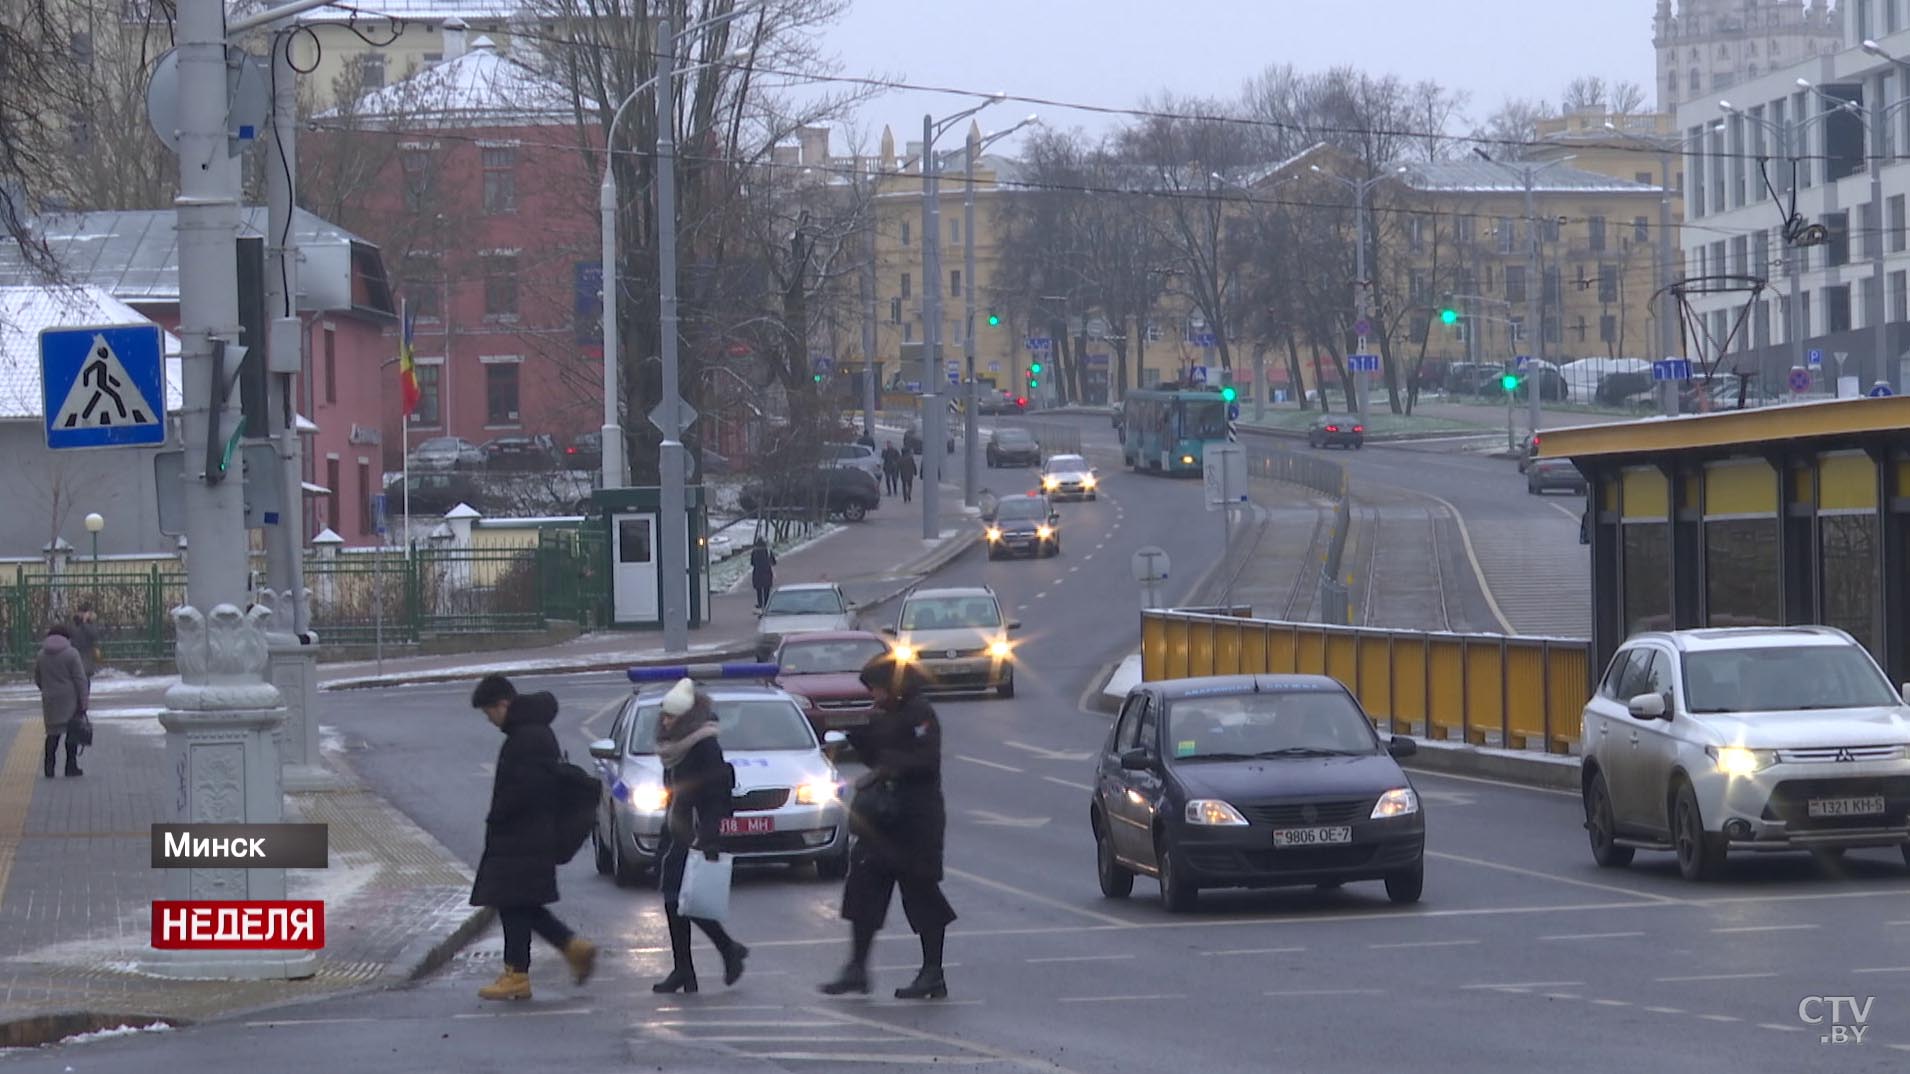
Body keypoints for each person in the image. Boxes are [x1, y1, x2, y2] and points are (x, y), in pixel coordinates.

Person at [820, 653, 955, 1000]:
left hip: (915, 822)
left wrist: (886, 766)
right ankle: (857, 968)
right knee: (864, 891)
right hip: (881, 822)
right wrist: (860, 740)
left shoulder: (919, 713)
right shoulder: (886, 715)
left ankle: (932, 972)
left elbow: (925, 760)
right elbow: (877, 757)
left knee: (922, 895)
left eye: (877, 689)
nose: (874, 696)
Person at [468, 674, 597, 1001]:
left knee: (513, 903)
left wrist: (499, 815)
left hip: (521, 836)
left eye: (489, 712)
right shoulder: (532, 732)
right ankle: (572, 948)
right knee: (522, 904)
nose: (490, 720)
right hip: (528, 836)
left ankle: (518, 974)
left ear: (503, 704)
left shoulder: (527, 737)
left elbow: (526, 789)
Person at [651, 678, 750, 993]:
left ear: (686, 718)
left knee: (681, 898)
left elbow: (717, 794)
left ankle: (720, 952)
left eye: (670, 716)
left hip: (693, 831)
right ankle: (691, 967)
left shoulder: (704, 745)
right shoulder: (675, 747)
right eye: (664, 715)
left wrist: (709, 836)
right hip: (676, 827)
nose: (664, 722)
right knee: (675, 899)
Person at [34, 625, 88, 778]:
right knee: (71, 733)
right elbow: (80, 679)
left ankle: (49, 769)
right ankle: (70, 767)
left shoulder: (41, 655)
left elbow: (38, 678)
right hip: (70, 699)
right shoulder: (71, 654)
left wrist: (46, 689)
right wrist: (83, 701)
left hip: (50, 699)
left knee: (52, 734)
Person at [69, 603, 101, 680]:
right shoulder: (74, 623)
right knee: (76, 677)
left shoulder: (91, 623)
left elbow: (94, 635)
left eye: (84, 612)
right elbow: (70, 634)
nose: (81, 614)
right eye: (80, 612)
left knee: (86, 677)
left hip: (87, 654)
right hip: (75, 652)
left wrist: (85, 623)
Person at [749, 539, 777, 610]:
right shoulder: (768, 551)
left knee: (759, 590)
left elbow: (752, 563)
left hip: (757, 573)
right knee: (766, 590)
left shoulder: (754, 552)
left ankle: (760, 604)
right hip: (767, 573)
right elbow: (774, 562)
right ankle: (766, 604)